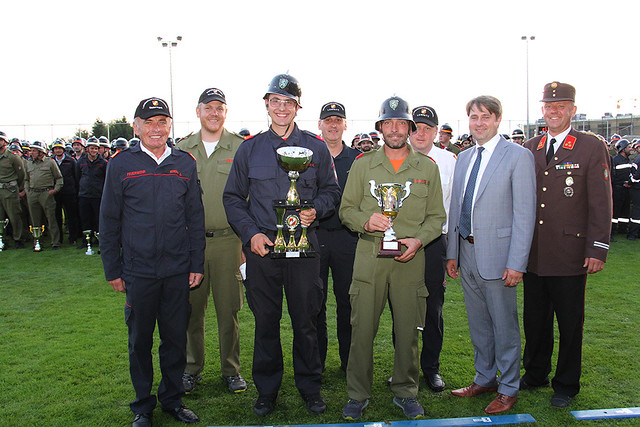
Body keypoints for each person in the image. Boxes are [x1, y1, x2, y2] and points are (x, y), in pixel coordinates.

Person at [223, 74, 340, 417]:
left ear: (297, 107)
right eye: (276, 101)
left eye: (289, 102)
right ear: (267, 104)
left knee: (306, 320)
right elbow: (233, 198)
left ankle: (310, 387)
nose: (281, 108)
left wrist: (315, 209)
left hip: (304, 247)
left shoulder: (317, 148)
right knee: (266, 322)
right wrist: (251, 235)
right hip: (263, 248)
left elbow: (332, 191)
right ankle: (267, 390)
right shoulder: (250, 148)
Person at [100, 97, 205, 426]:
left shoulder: (185, 163)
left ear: (170, 126)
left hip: (177, 270)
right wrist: (113, 269)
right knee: (140, 342)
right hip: (139, 271)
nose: (156, 129)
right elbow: (109, 220)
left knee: (174, 341)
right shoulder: (121, 164)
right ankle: (142, 406)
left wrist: (196, 264)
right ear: (136, 127)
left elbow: (195, 217)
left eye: (162, 122)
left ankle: (172, 400)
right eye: (149, 123)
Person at [339, 96, 445, 421]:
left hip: (410, 259)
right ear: (381, 127)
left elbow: (436, 217)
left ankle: (406, 391)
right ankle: (357, 394)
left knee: (409, 330)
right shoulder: (363, 165)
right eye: (389, 123)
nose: (395, 129)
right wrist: (365, 221)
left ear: (410, 128)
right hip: (369, 256)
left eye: (401, 123)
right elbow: (346, 210)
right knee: (361, 329)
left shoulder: (427, 167)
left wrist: (419, 240)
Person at [521, 82, 612, 408]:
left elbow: (601, 202)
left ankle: (566, 384)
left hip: (570, 253)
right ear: (542, 110)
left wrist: (597, 248)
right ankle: (535, 373)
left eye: (561, 106)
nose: (554, 111)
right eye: (549, 106)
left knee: (570, 323)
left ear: (573, 110)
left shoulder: (589, 146)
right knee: (535, 320)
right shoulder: (530, 147)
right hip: (534, 253)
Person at [447, 95, 536, 415]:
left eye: (485, 117)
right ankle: (484, 378)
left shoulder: (518, 156)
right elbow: (456, 207)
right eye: (474, 117)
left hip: (500, 257)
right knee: (479, 324)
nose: (479, 123)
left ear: (498, 119)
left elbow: (525, 214)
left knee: (504, 325)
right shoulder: (464, 157)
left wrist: (517, 263)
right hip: (467, 251)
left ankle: (509, 386)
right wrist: (452, 252)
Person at [176, 87, 247, 394]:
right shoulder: (182, 149)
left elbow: (250, 196)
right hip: (191, 244)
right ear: (198, 111)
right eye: (208, 108)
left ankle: (231, 370)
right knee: (191, 310)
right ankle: (191, 368)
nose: (214, 113)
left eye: (219, 108)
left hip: (229, 241)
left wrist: (246, 241)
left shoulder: (240, 147)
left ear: (225, 112)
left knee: (228, 310)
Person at [408, 105, 457, 392]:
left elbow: (456, 207)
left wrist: (453, 252)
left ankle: (431, 368)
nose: (421, 133)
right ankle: (405, 367)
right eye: (416, 128)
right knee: (402, 307)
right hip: (402, 242)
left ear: (437, 132)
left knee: (433, 309)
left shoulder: (449, 161)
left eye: (428, 128)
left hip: (436, 242)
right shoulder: (396, 158)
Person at [315, 101, 359, 372]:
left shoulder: (357, 159)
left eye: (337, 120)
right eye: (328, 120)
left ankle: (349, 361)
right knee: (314, 303)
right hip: (315, 234)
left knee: (348, 302)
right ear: (319, 124)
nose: (333, 125)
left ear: (345, 125)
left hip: (348, 238)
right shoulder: (309, 155)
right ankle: (316, 362)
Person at [24, 141, 64, 250]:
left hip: (46, 193)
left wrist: (55, 190)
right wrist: (27, 190)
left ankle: (55, 242)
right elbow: (26, 179)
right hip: (33, 193)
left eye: (34, 151)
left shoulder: (50, 162)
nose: (31, 152)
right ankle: (37, 242)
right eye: (31, 150)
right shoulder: (29, 164)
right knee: (35, 220)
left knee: (51, 219)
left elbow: (59, 178)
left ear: (40, 152)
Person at [77, 138, 107, 244]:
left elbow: (106, 179)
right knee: (85, 219)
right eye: (92, 148)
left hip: (98, 195)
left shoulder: (103, 163)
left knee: (98, 219)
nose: (94, 150)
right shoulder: (81, 162)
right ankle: (87, 241)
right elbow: (77, 177)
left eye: (95, 148)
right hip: (84, 195)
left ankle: (99, 240)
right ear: (87, 149)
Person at [51, 140, 81, 245]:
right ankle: (59, 239)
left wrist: (75, 191)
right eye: (56, 149)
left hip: (69, 192)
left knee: (71, 216)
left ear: (63, 149)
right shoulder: (51, 161)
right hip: (56, 192)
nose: (58, 150)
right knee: (57, 216)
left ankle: (73, 238)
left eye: (60, 148)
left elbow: (76, 176)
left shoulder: (71, 161)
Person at [0, 131, 26, 249]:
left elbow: (21, 174)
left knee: (14, 215)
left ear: (5, 142)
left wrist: (18, 188)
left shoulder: (12, 157)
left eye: (0, 140)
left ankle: (18, 238)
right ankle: (2, 239)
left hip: (9, 190)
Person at [611, 139, 633, 238]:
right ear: (623, 149)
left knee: (625, 211)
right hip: (618, 189)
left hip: (627, 190)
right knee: (615, 211)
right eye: (629, 147)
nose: (631, 149)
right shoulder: (615, 160)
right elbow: (613, 176)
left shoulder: (629, 161)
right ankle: (612, 231)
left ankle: (622, 229)